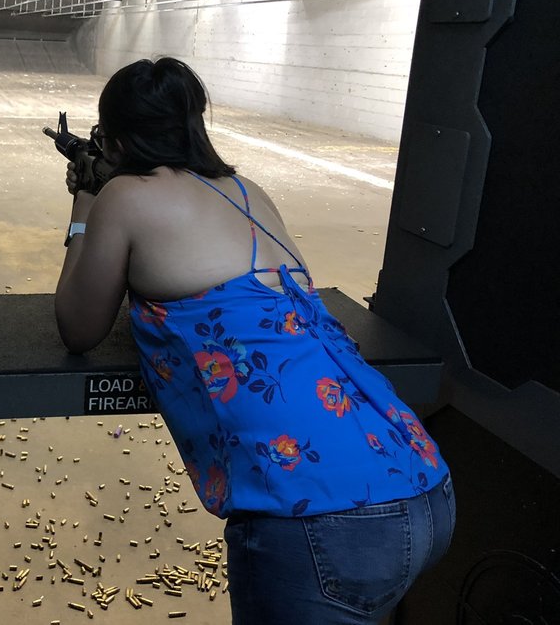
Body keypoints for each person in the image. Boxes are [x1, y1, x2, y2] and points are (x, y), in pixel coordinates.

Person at [54, 57, 455, 624]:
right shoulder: (248, 191)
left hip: (319, 513)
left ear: (115, 141)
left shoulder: (124, 196)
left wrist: (85, 205)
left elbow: (78, 327)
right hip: (420, 484)